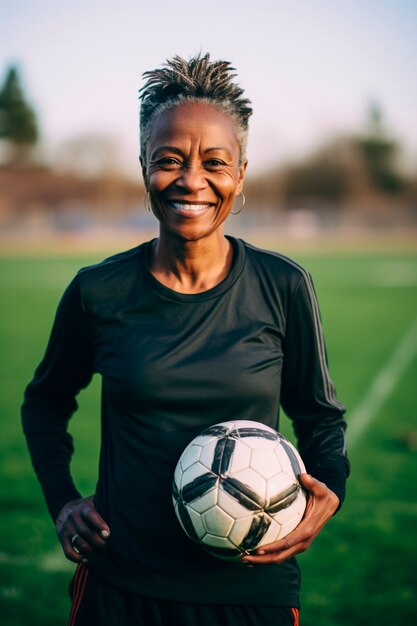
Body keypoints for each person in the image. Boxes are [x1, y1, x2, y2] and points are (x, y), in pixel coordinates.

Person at [22, 53, 350, 626]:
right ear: (144, 166)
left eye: (214, 163)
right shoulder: (98, 291)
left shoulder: (283, 285)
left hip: (252, 589)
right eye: (169, 160)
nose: (191, 180)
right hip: (122, 585)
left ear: (241, 173)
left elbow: (320, 419)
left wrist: (331, 493)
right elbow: (45, 402)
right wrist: (62, 499)